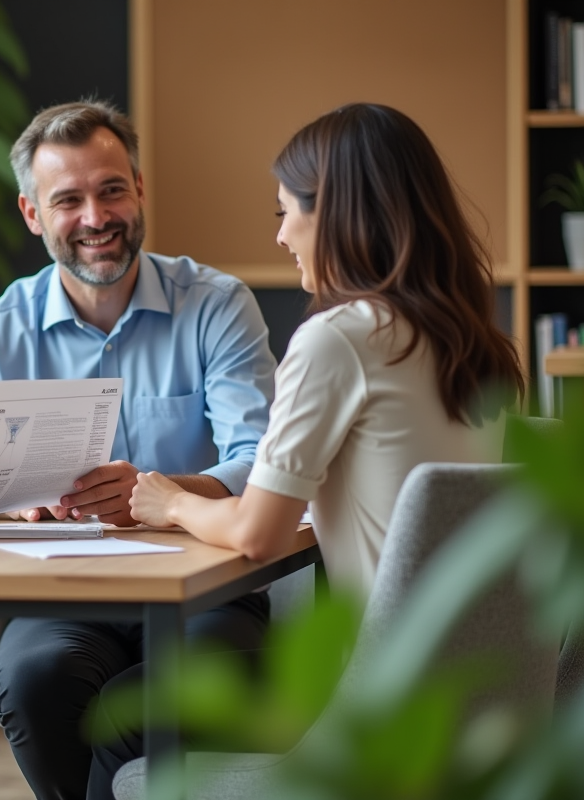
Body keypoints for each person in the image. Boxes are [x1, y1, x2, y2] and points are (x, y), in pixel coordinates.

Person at [92, 102, 525, 796]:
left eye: (286, 211)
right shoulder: (474, 345)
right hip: (481, 704)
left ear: (341, 214)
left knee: (117, 727)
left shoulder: (339, 339)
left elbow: (258, 536)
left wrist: (169, 502)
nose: (282, 236)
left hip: (377, 713)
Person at [0, 100, 279, 800]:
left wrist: (165, 491)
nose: (96, 218)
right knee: (37, 681)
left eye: (111, 190)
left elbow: (262, 458)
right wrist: (12, 500)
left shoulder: (217, 305)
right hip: (61, 600)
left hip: (211, 598)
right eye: (68, 200)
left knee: (150, 704)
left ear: (140, 189)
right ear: (32, 214)